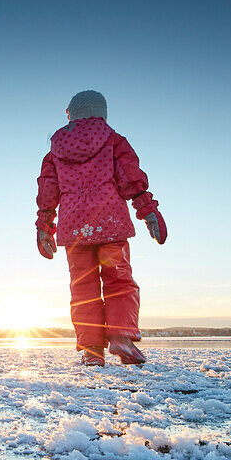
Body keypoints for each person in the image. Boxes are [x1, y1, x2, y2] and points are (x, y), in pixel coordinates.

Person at [35, 90, 167, 366]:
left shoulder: (55, 152)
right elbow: (131, 177)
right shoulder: (114, 141)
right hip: (111, 223)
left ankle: (92, 349)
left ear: (70, 114)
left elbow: (48, 191)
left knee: (83, 288)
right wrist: (148, 210)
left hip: (74, 229)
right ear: (102, 113)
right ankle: (121, 338)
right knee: (119, 280)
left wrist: (45, 226)